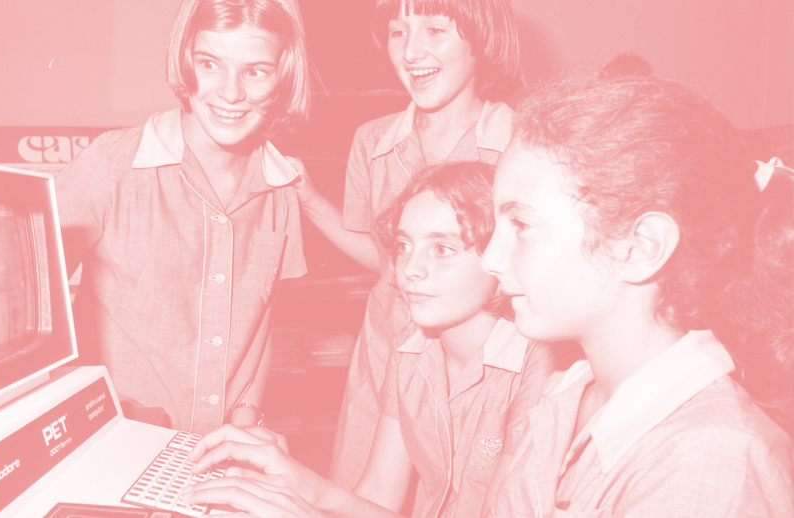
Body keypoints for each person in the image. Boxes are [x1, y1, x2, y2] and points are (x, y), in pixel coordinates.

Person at [479, 68, 794, 516]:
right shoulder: (570, 393)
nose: (490, 258)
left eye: (521, 224)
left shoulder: (710, 462)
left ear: (640, 247)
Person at [181, 163, 570, 518]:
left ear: (500, 258)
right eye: (404, 246)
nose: (411, 268)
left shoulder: (544, 369)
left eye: (442, 249)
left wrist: (308, 504)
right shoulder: (410, 349)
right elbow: (380, 496)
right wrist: (295, 481)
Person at [293, 0, 523, 489]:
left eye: (435, 30)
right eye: (398, 32)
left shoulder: (521, 145)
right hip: (385, 350)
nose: (412, 52)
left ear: (482, 39)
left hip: (480, 362)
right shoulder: (373, 141)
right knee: (363, 485)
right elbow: (386, 263)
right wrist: (309, 199)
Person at [54, 0, 311, 434]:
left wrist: (245, 422)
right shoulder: (111, 164)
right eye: (210, 64)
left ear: (283, 76)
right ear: (185, 59)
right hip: (112, 438)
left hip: (218, 445)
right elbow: (30, 300)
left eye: (256, 71)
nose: (231, 93)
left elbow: (261, 324)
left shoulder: (280, 188)